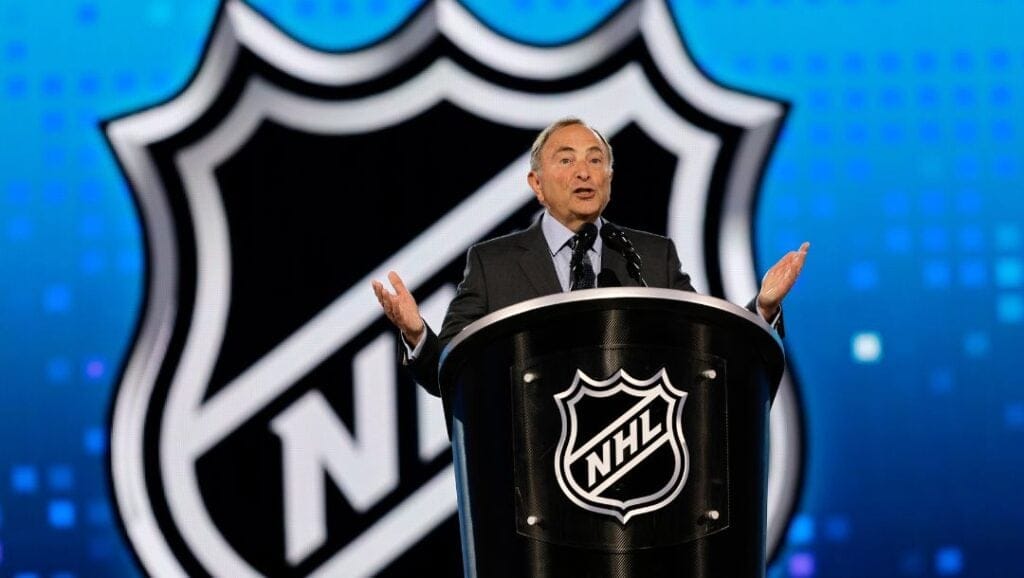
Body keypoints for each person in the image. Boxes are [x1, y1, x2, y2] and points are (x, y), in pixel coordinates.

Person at [372, 117, 809, 396]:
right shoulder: (494, 263)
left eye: (596, 160)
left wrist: (762, 308)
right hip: (533, 485)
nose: (584, 171)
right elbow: (450, 372)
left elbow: (703, 353)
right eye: (566, 160)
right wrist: (417, 335)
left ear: (610, 178)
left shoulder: (652, 257)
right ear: (537, 184)